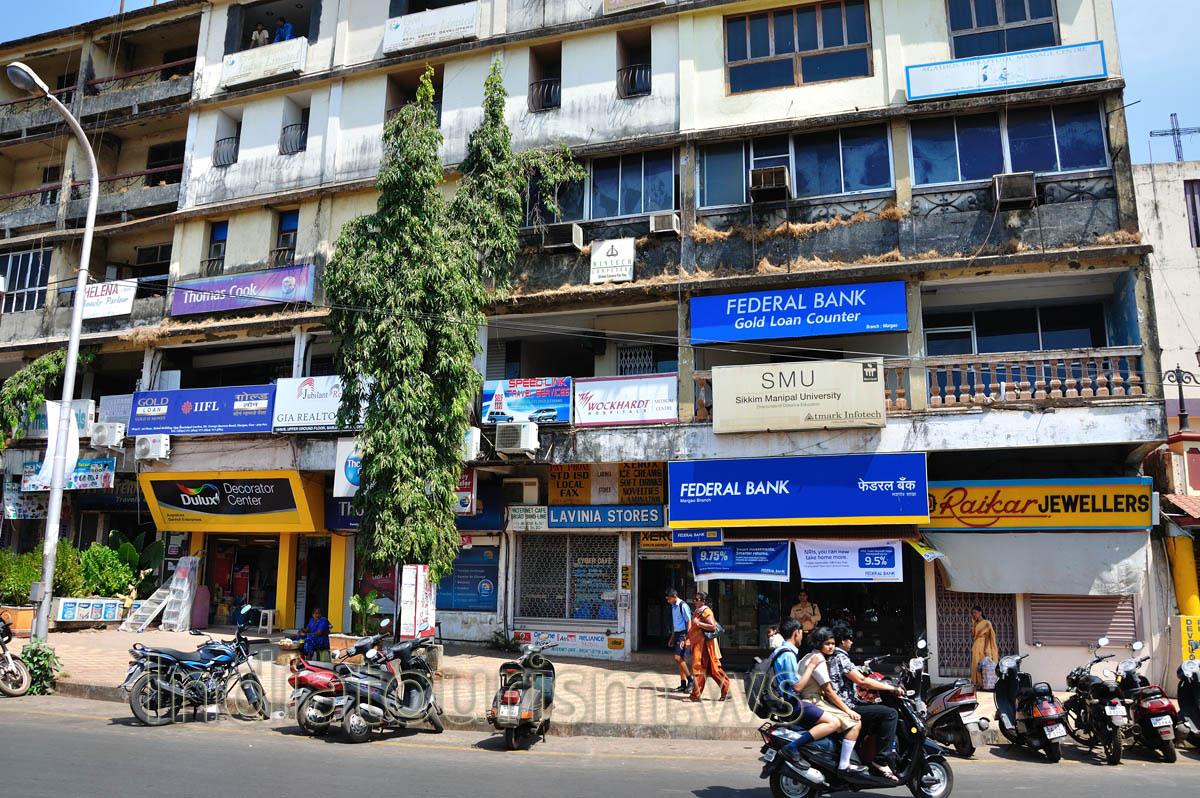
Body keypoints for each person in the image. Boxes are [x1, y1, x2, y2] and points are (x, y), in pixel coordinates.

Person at [829, 621, 900, 781]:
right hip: (847, 705)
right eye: (850, 639)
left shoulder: (833, 656)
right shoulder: (840, 657)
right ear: (842, 640)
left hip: (843, 702)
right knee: (890, 714)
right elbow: (862, 681)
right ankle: (880, 760)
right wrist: (890, 688)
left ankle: (859, 754)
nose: (852, 642)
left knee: (875, 710)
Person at [772, 617, 843, 763]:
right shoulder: (788, 654)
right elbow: (797, 687)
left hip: (784, 702)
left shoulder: (779, 651)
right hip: (792, 704)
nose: (802, 636)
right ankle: (792, 747)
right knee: (834, 723)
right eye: (801, 632)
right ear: (796, 633)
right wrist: (811, 665)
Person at [797, 626, 866, 774]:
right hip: (814, 700)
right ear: (819, 644)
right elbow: (828, 691)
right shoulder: (818, 660)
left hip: (809, 699)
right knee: (855, 723)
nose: (831, 647)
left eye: (833, 644)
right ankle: (844, 764)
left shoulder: (807, 656)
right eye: (827, 643)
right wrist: (848, 710)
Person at [685, 591, 730, 702]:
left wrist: (698, 623)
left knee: (701, 669)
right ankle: (726, 689)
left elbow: (712, 626)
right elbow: (693, 628)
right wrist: (687, 638)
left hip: (704, 647)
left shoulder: (706, 611)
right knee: (712, 670)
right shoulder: (697, 611)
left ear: (703, 601)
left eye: (697, 599)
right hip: (698, 645)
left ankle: (695, 696)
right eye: (694, 599)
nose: (694, 601)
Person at [665, 589, 693, 694]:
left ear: (675, 596)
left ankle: (691, 681)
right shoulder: (673, 607)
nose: (668, 601)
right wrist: (672, 637)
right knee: (680, 660)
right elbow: (675, 623)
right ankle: (683, 684)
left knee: (677, 658)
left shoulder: (683, 606)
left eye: (669, 599)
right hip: (677, 633)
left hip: (683, 633)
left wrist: (687, 638)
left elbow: (689, 622)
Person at [970, 606, 999, 690]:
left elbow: (987, 636)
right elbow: (973, 635)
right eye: (973, 613)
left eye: (975, 612)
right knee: (976, 664)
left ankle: (987, 684)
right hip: (976, 645)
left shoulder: (986, 623)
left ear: (980, 612)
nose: (974, 614)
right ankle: (978, 683)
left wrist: (986, 648)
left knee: (985, 664)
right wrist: (973, 624)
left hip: (983, 644)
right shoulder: (976, 623)